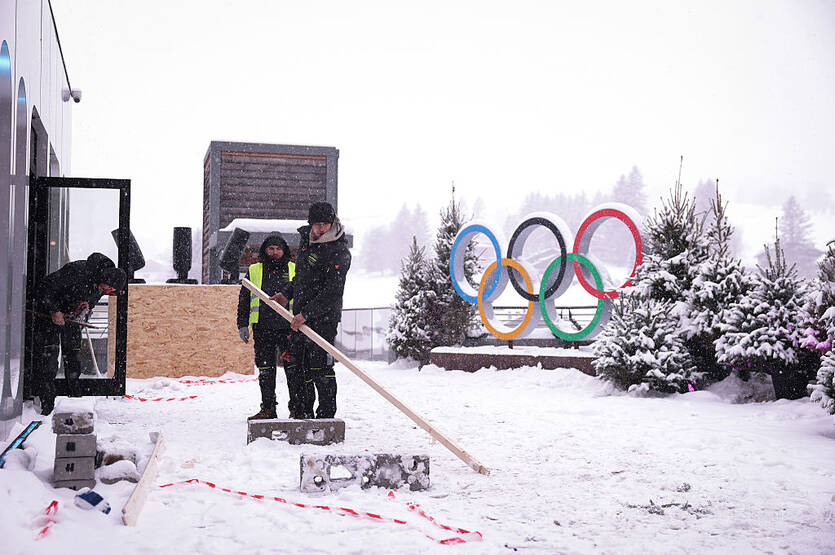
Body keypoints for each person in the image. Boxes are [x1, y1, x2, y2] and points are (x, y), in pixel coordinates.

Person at [271, 202, 351, 419]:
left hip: (323, 319)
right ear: (311, 224)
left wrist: (307, 314)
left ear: (332, 223)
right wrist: (286, 294)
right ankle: (301, 411)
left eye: (326, 224)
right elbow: (302, 279)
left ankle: (325, 416)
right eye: (317, 225)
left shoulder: (339, 250)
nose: (321, 229)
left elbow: (332, 290)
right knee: (298, 367)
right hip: (300, 317)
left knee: (320, 368)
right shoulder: (306, 242)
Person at [31, 253, 126, 415]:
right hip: (46, 314)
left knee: (73, 357)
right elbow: (45, 288)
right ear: (105, 280)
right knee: (50, 359)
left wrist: (86, 306)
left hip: (71, 318)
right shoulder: (78, 272)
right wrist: (55, 311)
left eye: (111, 291)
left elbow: (93, 299)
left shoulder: (103, 284)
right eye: (108, 289)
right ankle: (47, 406)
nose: (107, 292)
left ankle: (74, 401)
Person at [236, 233, 295, 420]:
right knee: (266, 370)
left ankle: (297, 408)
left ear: (284, 251)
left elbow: (301, 297)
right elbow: (244, 299)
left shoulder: (294, 269)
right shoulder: (254, 270)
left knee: (293, 370)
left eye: (278, 249)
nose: (275, 252)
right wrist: (242, 324)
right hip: (263, 328)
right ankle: (268, 408)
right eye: (271, 248)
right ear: (265, 250)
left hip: (289, 329)